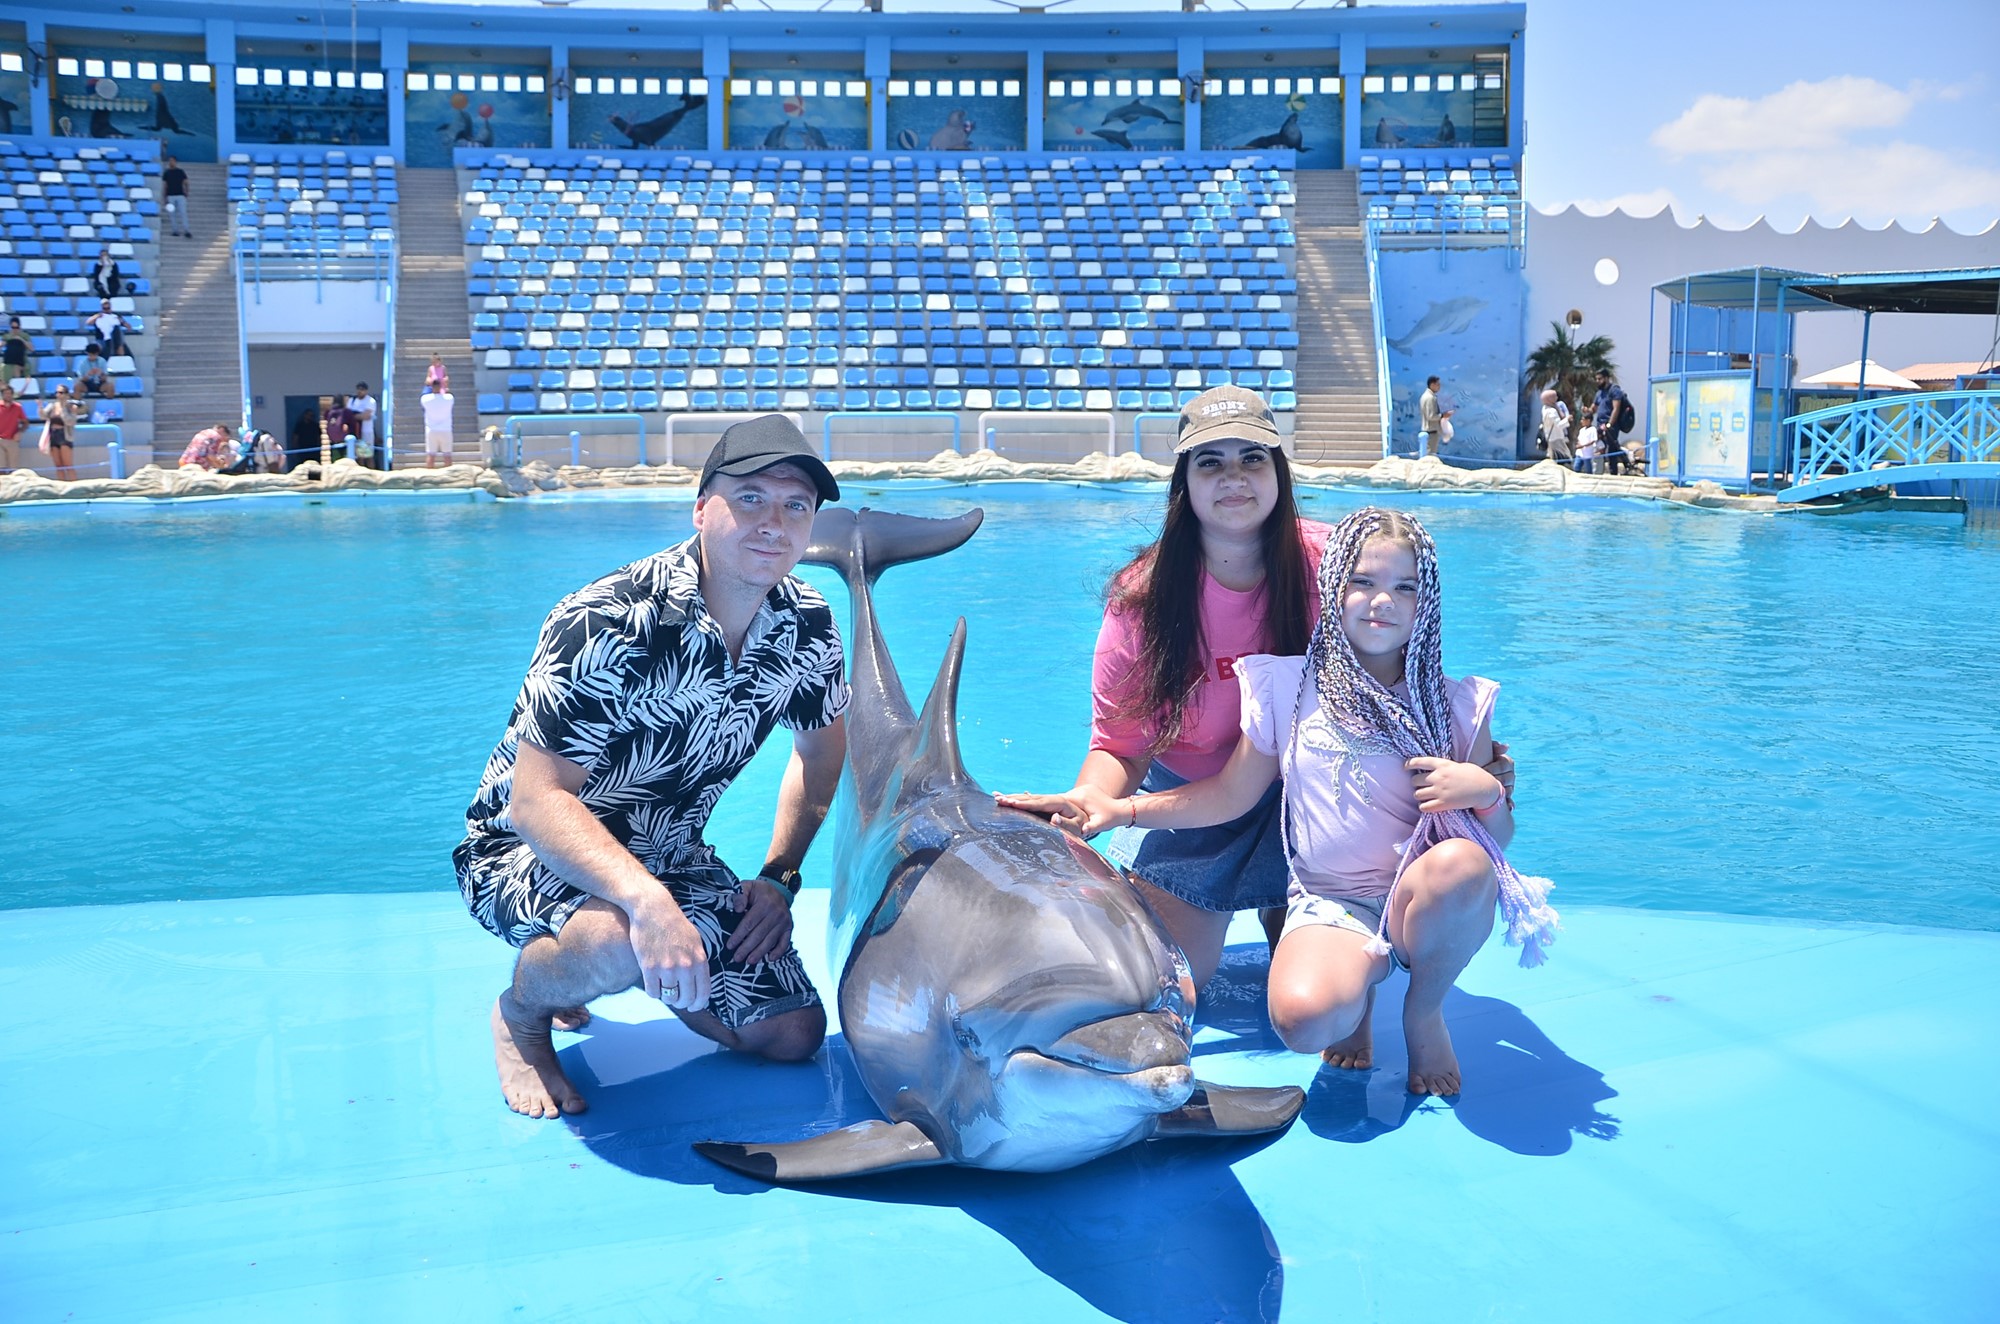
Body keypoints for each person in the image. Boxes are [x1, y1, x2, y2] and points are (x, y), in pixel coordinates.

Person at [1005, 508, 1557, 1097]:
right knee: (1303, 1020)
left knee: (1463, 865)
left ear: (1428, 603)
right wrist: (1122, 810)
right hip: (1334, 899)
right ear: (1333, 589)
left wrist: (1486, 792)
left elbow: (1494, 843)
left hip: (1416, 892)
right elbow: (1229, 795)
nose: (1383, 601)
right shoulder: (1288, 688)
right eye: (1363, 582)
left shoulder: (1458, 705)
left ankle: (1423, 1010)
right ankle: (1359, 985)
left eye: (1405, 588)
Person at [454, 415, 851, 1119]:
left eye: (796, 506)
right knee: (615, 941)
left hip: (669, 856)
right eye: (750, 498)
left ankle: (584, 962)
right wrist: (647, 905)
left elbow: (821, 751)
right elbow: (536, 801)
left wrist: (780, 876)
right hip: (524, 850)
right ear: (701, 509)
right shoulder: (608, 621)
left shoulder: (807, 625)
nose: (774, 523)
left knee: (791, 1034)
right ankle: (524, 1010)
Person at [1592, 369, 1633, 476]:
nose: (1597, 381)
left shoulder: (1614, 391)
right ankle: (1599, 471)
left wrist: (1610, 424)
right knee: (1600, 447)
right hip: (1600, 424)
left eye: (1600, 379)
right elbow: (1594, 408)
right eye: (1596, 379)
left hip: (1610, 425)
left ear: (1606, 378)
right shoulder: (1599, 393)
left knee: (1612, 449)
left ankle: (1613, 472)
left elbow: (1616, 408)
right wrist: (1588, 410)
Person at [40, 385, 79, 482]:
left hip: (64, 435)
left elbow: (70, 422)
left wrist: (63, 408)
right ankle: (61, 485)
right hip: (53, 435)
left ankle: (74, 485)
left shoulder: (71, 407)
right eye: (57, 392)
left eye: (61, 393)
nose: (58, 395)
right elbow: (43, 416)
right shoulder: (52, 406)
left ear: (66, 395)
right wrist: (40, 407)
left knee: (68, 465)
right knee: (58, 466)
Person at [1417, 375, 1454, 459]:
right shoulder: (1430, 398)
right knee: (1430, 456)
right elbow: (1431, 416)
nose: (1439, 387)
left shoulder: (1424, 396)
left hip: (1427, 430)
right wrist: (1443, 415)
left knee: (1426, 454)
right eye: (1438, 384)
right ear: (1432, 385)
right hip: (1431, 431)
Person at [419, 385, 454, 468]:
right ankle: (449, 474)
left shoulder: (425, 399)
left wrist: (428, 385)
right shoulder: (449, 398)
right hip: (446, 430)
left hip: (431, 430)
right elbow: (448, 393)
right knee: (447, 455)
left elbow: (424, 393)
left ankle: (430, 474)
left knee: (431, 455)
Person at [1538, 388, 1573, 465]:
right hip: (1556, 438)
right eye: (1554, 397)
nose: (1556, 398)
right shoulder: (1552, 411)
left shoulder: (1545, 408)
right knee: (1562, 458)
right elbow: (1559, 425)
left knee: (1555, 458)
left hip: (1550, 438)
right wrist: (1567, 419)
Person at [347, 381, 377, 465]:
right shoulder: (352, 400)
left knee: (368, 455)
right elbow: (347, 414)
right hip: (354, 432)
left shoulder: (370, 401)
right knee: (358, 456)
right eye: (358, 389)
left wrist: (354, 416)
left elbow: (366, 416)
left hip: (366, 432)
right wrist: (358, 415)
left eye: (362, 389)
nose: (360, 391)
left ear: (366, 391)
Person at [161, 155, 191, 238]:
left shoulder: (180, 172)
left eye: (172, 161)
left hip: (180, 195)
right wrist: (164, 197)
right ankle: (175, 231)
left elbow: (186, 182)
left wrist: (187, 191)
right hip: (170, 196)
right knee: (172, 214)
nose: (171, 162)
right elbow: (165, 185)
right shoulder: (166, 172)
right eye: (170, 161)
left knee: (183, 213)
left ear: (175, 162)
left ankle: (186, 230)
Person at [0, 384, 25, 472]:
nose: (8, 395)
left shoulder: (18, 407)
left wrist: (19, 432)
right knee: (1, 469)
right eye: (6, 393)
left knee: (13, 469)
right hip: (0, 439)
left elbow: (25, 422)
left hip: (12, 440)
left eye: (10, 393)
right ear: (2, 395)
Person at [2, 316, 31, 384]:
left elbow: (31, 348)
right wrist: (6, 342)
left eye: (16, 327)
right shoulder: (6, 336)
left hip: (20, 361)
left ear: (20, 327)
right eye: (13, 327)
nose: (15, 330)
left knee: (16, 369)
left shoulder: (25, 335)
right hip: (8, 361)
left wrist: (21, 339)